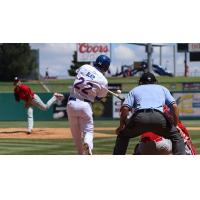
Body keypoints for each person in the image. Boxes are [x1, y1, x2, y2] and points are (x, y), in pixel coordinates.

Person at [113, 72, 186, 155]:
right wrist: (175, 125)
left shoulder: (135, 90)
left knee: (123, 135)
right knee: (176, 136)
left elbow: (125, 108)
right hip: (159, 118)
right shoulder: (162, 88)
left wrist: (122, 125)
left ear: (141, 82)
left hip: (140, 118)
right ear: (155, 81)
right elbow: (175, 106)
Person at [66, 55, 111, 155]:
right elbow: (98, 98)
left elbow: (77, 73)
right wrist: (104, 93)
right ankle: (88, 145)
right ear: (106, 67)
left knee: (76, 134)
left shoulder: (85, 67)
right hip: (85, 105)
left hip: (71, 103)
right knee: (88, 131)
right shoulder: (104, 81)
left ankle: (80, 153)